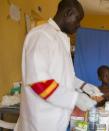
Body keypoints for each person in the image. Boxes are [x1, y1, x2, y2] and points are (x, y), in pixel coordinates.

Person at [14, 0, 102, 131]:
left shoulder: (60, 39)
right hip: (40, 123)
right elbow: (39, 83)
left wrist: (84, 86)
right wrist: (75, 99)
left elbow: (65, 77)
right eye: (77, 19)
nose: (79, 25)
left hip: (57, 120)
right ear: (68, 13)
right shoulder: (41, 36)